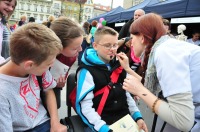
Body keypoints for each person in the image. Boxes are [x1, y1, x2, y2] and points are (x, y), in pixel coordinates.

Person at [119, 13, 198, 131]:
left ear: (142, 37)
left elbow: (183, 121)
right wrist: (128, 69)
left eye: (132, 37)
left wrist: (140, 91)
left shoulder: (165, 52)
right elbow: (157, 86)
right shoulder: (166, 47)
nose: (131, 42)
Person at [75, 26, 148, 132]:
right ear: (95, 46)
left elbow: (126, 95)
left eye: (115, 45)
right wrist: (103, 128)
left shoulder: (120, 65)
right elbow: (85, 107)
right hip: (100, 124)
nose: (112, 49)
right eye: (107, 46)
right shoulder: (86, 71)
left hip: (124, 120)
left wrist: (138, 117)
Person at [0, 23, 67, 131]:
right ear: (29, 65)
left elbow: (48, 90)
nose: (51, 66)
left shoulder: (37, 68)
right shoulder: (2, 92)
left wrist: (55, 122)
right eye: (49, 64)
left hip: (45, 122)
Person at [50, 17, 83, 109]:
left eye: (81, 45)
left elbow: (63, 73)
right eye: (75, 48)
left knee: (56, 105)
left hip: (53, 87)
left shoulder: (71, 57)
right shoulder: (43, 57)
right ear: (59, 47)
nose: (80, 49)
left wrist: (60, 84)